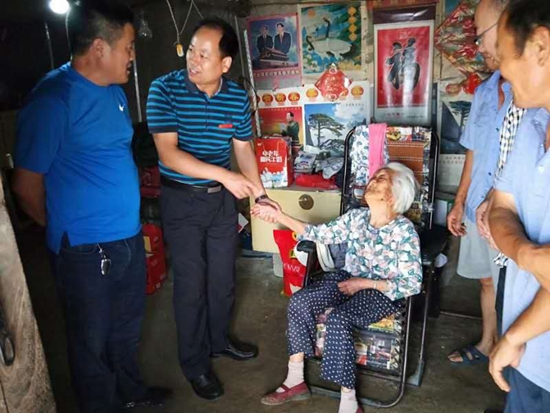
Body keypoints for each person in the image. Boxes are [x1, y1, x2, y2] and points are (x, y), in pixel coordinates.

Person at [12, 1, 171, 412]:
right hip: (84, 251)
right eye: (129, 47)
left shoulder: (114, 93)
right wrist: (66, 229)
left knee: (125, 331)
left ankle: (131, 394)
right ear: (100, 47)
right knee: (91, 344)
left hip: (127, 238)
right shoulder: (53, 100)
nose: (133, 55)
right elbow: (26, 186)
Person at [146, 18, 279, 401]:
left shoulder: (235, 97)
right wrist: (225, 176)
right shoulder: (163, 89)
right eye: (191, 50)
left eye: (204, 54)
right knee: (191, 284)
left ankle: (219, 341)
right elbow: (168, 153)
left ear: (225, 64)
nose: (193, 60)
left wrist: (259, 194)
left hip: (220, 201)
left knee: (222, 278)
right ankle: (194, 363)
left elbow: (243, 149)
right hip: (181, 199)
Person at [253, 163, 422, 413]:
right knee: (300, 301)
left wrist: (364, 284)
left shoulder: (404, 231)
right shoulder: (357, 217)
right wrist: (279, 216)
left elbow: (412, 283)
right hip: (348, 278)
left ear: (394, 194)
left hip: (380, 291)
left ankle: (349, 401)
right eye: (375, 175)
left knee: (339, 318)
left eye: (382, 178)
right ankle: (295, 379)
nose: (372, 180)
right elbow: (317, 234)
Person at [487, 0, 550, 411]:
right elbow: (500, 208)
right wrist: (527, 254)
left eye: (504, 53)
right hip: (527, 357)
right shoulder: (530, 123)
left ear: (540, 46)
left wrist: (513, 336)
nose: (501, 70)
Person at [445, 0, 512, 367]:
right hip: (475, 209)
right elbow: (472, 150)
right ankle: (489, 343)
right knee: (486, 280)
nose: (478, 46)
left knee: (514, 289)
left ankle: (513, 355)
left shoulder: (533, 92)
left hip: (511, 216)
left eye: (481, 35)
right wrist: (459, 201)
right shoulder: (485, 91)